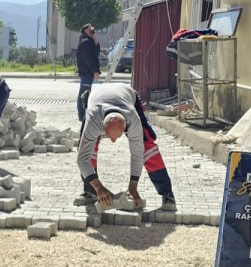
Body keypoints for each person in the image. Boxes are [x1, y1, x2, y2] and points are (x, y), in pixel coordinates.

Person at [75, 82, 176, 210]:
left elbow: (137, 154)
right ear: (101, 127)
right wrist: (98, 187)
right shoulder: (93, 120)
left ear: (126, 127)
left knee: (147, 146)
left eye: (117, 137)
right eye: (109, 136)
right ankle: (91, 191)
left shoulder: (133, 120)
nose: (113, 141)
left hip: (127, 98)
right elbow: (82, 158)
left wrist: (133, 186)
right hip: (96, 100)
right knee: (86, 148)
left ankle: (167, 194)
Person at [75, 24, 101, 122]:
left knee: (86, 92)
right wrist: (95, 71)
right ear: (86, 30)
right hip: (86, 71)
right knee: (84, 93)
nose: (92, 29)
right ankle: (82, 115)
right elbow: (89, 59)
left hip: (88, 72)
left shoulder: (89, 41)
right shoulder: (85, 42)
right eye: (90, 28)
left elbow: (95, 53)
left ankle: (84, 113)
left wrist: (95, 40)